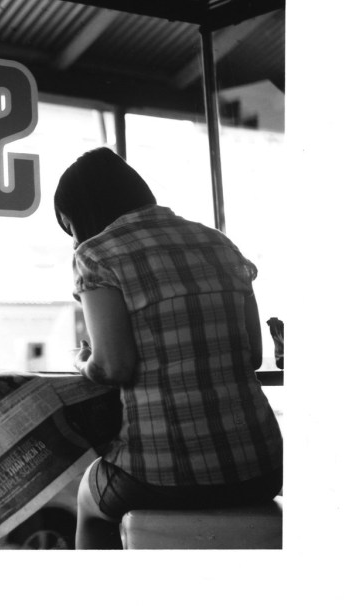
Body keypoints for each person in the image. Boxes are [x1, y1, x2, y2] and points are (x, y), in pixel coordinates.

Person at [54, 147, 283, 549]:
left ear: (82, 215)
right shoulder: (219, 243)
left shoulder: (95, 255)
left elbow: (113, 367)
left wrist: (83, 361)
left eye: (69, 226)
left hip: (161, 476)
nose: (74, 239)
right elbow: (251, 355)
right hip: (261, 467)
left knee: (88, 500)